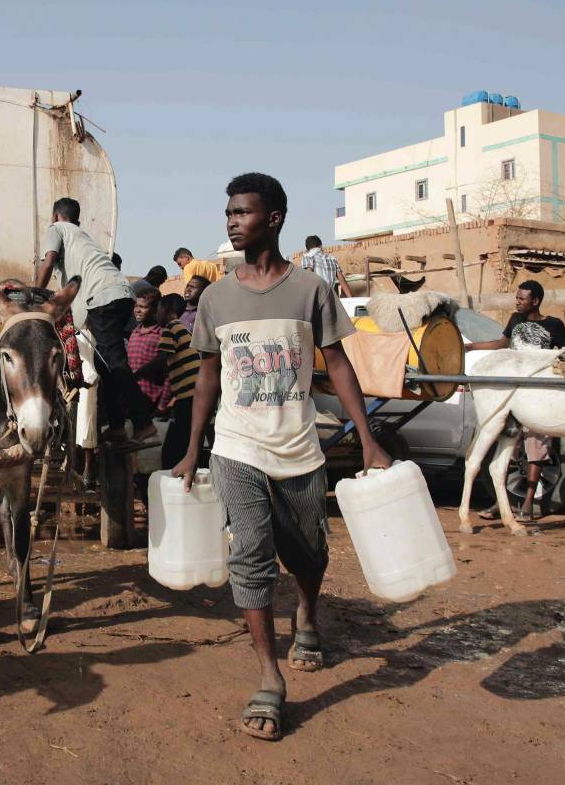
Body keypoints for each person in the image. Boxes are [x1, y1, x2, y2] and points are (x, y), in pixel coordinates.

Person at [172, 172, 391, 742]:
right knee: (251, 551)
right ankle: (270, 678)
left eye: (241, 212)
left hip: (299, 447)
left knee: (310, 552)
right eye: (228, 212)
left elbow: (338, 364)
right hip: (237, 446)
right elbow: (207, 378)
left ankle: (308, 615)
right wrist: (194, 450)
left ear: (273, 219)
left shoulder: (310, 290)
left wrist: (367, 438)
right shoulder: (216, 297)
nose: (230, 220)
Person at [34, 197, 155, 441]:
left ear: (55, 215)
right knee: (104, 364)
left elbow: (48, 262)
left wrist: (35, 297)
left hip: (103, 298)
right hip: (121, 293)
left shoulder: (56, 229)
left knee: (115, 362)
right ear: (77, 219)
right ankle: (118, 425)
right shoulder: (83, 238)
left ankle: (143, 422)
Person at [465, 279, 565, 520]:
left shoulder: (554, 325)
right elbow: (502, 344)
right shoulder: (515, 320)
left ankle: (527, 504)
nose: (517, 301)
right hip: (513, 396)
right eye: (517, 297)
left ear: (535, 301)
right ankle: (502, 504)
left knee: (536, 449)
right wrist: (473, 347)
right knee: (509, 452)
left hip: (539, 395)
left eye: (522, 298)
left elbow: (563, 353)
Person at [156, 293, 199, 469]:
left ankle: (173, 472)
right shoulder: (182, 328)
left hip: (188, 395)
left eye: (157, 311)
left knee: (174, 447)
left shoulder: (170, 328)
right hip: (194, 393)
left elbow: (160, 360)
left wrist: (137, 374)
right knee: (186, 436)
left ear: (166, 311)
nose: (156, 315)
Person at [127, 287, 169, 411]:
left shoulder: (162, 334)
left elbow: (169, 373)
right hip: (132, 399)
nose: (137, 310)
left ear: (156, 310)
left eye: (143, 307)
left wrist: (163, 404)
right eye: (136, 306)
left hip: (153, 402)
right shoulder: (135, 332)